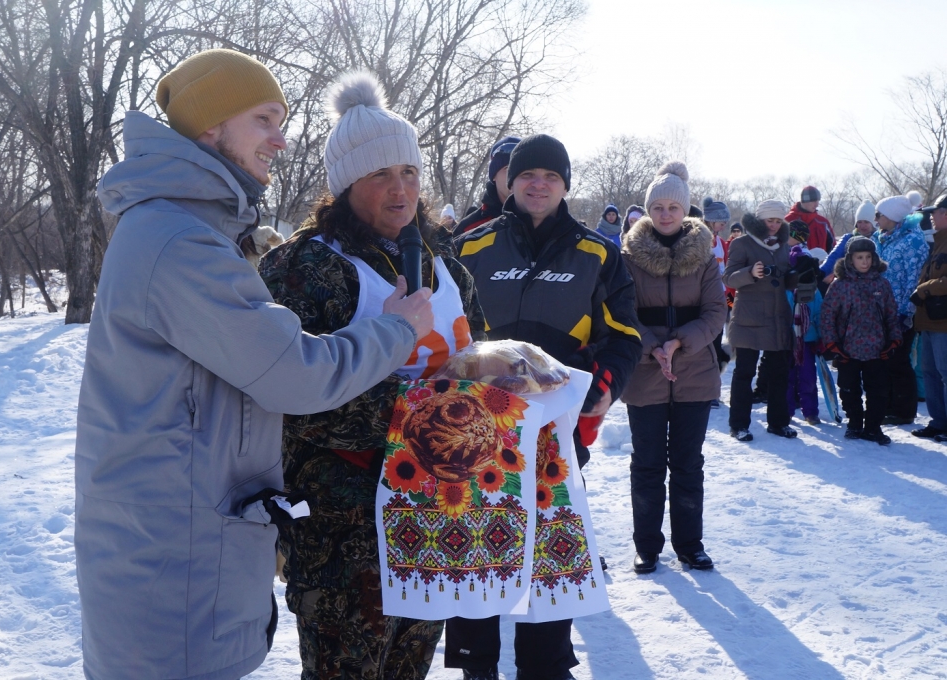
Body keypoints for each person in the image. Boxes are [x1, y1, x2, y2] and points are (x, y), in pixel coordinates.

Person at [75, 51, 434, 680]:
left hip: (192, 539)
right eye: (265, 118)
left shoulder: (193, 229)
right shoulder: (175, 240)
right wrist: (400, 330)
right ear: (213, 126)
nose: (282, 138)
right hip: (173, 556)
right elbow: (293, 371)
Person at [259, 71, 484, 680]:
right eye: (380, 174)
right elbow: (287, 394)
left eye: (409, 172)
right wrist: (431, 414)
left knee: (410, 666)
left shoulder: (445, 266)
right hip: (344, 523)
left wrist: (510, 386)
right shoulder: (304, 268)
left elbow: (477, 356)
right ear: (344, 185)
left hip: (437, 505)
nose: (400, 188)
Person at [452, 134, 641, 680]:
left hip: (556, 429)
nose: (538, 184)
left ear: (565, 185)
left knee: (548, 548)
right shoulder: (469, 246)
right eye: (528, 174)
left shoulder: (599, 253)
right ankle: (474, 666)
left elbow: (625, 333)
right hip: (476, 428)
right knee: (477, 548)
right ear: (510, 180)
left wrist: (605, 384)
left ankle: (546, 666)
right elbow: (444, 333)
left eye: (551, 177)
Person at [620, 162, 726, 574]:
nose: (665, 214)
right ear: (648, 210)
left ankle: (689, 544)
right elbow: (621, 311)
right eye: (658, 207)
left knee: (687, 463)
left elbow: (717, 311)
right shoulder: (628, 257)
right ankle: (647, 545)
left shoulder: (705, 258)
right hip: (645, 376)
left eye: (673, 207)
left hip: (694, 373)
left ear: (685, 211)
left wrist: (681, 341)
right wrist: (652, 347)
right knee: (646, 463)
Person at [724, 201, 796, 441]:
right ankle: (739, 425)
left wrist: (798, 277)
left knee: (779, 373)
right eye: (769, 221)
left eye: (778, 221)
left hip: (777, 316)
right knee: (744, 373)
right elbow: (729, 278)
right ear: (760, 220)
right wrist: (750, 273)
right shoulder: (741, 243)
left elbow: (784, 277)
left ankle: (778, 423)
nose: (774, 226)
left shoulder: (783, 245)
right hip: (749, 318)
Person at [820, 237, 902, 445]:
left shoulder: (882, 284)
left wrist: (893, 340)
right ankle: (855, 424)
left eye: (868, 257)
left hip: (877, 348)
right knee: (849, 388)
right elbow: (827, 315)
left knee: (879, 390)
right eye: (859, 258)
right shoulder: (840, 285)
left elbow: (891, 314)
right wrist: (832, 344)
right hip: (847, 349)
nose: (864, 262)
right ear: (850, 260)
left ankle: (873, 427)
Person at [875, 194, 929, 426]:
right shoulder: (883, 239)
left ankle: (904, 410)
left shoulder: (912, 242)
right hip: (881, 311)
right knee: (884, 360)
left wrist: (906, 312)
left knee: (898, 360)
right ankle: (887, 405)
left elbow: (914, 280)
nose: (876, 219)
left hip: (901, 313)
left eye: (879, 215)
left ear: (893, 217)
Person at [910, 193, 947, 439]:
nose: (931, 216)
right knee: (931, 372)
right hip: (930, 321)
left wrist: (923, 289)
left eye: (935, 211)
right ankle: (939, 423)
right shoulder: (938, 242)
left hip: (944, 324)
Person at [784, 245, 824, 425]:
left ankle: (810, 411)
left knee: (808, 377)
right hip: (788, 341)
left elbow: (819, 315)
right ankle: (786, 410)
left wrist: (822, 337)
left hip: (808, 341)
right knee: (787, 377)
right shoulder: (785, 292)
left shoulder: (814, 292)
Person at [454, 135, 520, 235]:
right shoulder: (469, 229)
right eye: (507, 169)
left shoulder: (544, 223)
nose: (514, 176)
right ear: (494, 176)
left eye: (521, 171)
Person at [703, 196, 732, 406]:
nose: (724, 224)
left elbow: (728, 272)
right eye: (720, 220)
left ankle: (712, 390)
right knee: (703, 346)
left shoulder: (722, 243)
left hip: (721, 301)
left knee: (714, 345)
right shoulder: (698, 239)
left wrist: (730, 299)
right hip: (702, 301)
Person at [821, 201, 876, 284]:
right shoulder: (848, 239)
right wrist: (820, 273)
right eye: (859, 222)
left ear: (874, 224)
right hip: (850, 283)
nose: (862, 225)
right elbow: (833, 257)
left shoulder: (878, 240)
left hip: (872, 283)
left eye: (866, 222)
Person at [786, 185, 835, 252]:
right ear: (804, 200)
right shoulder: (788, 221)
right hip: (794, 261)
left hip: (821, 261)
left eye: (818, 201)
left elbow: (833, 248)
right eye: (814, 201)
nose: (817, 204)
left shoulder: (823, 222)